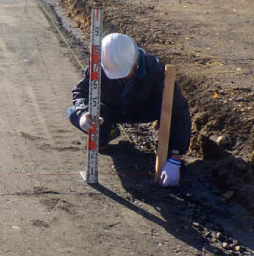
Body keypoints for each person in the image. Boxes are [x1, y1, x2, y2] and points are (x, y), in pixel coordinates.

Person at [67, 33, 191, 187]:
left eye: (127, 73)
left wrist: (175, 157)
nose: (122, 78)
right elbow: (80, 93)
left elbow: (180, 110)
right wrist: (84, 113)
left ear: (136, 62)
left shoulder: (156, 70)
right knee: (73, 113)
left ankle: (168, 154)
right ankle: (108, 131)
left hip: (143, 111)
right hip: (111, 112)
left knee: (173, 108)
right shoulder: (99, 66)